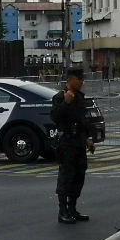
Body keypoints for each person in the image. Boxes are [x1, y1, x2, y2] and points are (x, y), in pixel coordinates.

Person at [51, 68, 96, 224]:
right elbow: (55, 117)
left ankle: (72, 208)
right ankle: (62, 210)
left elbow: (83, 120)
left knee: (79, 175)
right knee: (66, 176)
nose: (82, 82)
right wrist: (66, 103)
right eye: (79, 79)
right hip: (66, 142)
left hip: (78, 142)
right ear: (70, 80)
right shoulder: (60, 97)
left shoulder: (80, 98)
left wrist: (88, 138)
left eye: (82, 79)